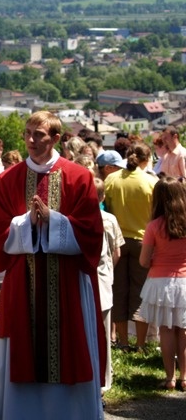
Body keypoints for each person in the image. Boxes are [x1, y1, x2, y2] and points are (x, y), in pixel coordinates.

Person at [0, 111, 105, 420]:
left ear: (57, 139)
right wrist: (27, 224)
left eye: (39, 134)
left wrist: (55, 221)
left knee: (70, 348)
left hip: (67, 283)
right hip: (23, 282)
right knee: (22, 350)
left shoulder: (79, 177)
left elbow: (92, 233)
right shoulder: (8, 179)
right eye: (27, 133)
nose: (31, 140)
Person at [104, 143, 157, 352]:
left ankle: (123, 341)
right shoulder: (150, 182)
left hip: (117, 240)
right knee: (141, 291)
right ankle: (141, 343)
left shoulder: (111, 179)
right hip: (142, 241)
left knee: (118, 291)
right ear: (146, 160)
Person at [139, 177, 186, 391]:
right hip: (184, 281)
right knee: (183, 331)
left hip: (160, 282)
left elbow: (143, 261)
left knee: (166, 331)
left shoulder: (154, 226)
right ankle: (185, 377)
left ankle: (170, 378)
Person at [94, 177, 124, 393]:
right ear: (103, 197)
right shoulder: (109, 219)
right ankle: (105, 378)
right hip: (103, 278)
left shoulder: (72, 218)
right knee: (104, 331)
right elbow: (117, 251)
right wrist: (109, 270)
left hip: (89, 278)